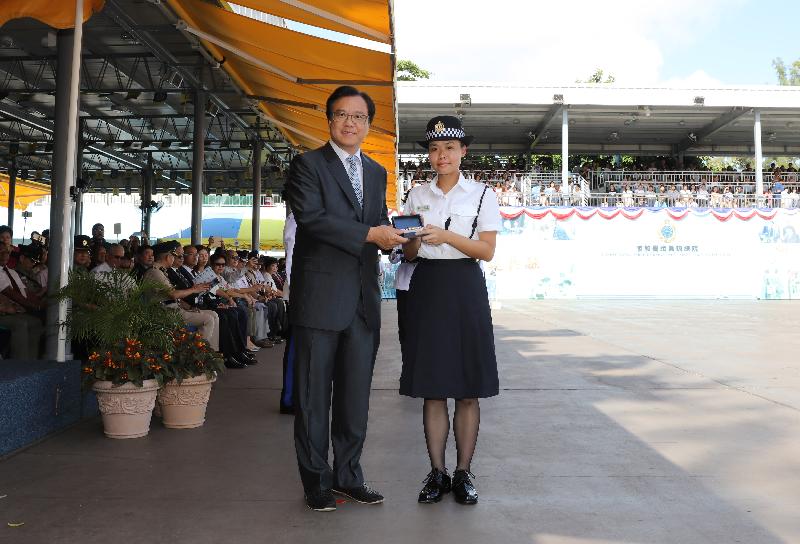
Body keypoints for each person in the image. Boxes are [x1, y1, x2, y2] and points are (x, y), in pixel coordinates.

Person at [286, 85, 408, 512]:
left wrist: (396, 237)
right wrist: (369, 234)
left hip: (362, 300)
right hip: (320, 299)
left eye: (358, 116)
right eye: (342, 115)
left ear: (368, 124)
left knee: (355, 397)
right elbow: (314, 220)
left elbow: (377, 223)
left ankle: (350, 476)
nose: (350, 123)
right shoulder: (306, 166)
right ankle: (316, 482)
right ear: (329, 120)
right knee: (313, 397)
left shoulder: (376, 172)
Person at [400, 116, 501, 506]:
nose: (440, 155)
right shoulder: (416, 195)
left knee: (468, 389)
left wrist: (444, 235)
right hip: (426, 286)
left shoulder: (481, 194)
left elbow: (487, 251)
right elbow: (408, 252)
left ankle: (463, 472)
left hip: (464, 288)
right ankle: (437, 472)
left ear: (463, 152)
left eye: (449, 148)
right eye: (433, 148)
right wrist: (407, 239)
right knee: (433, 388)